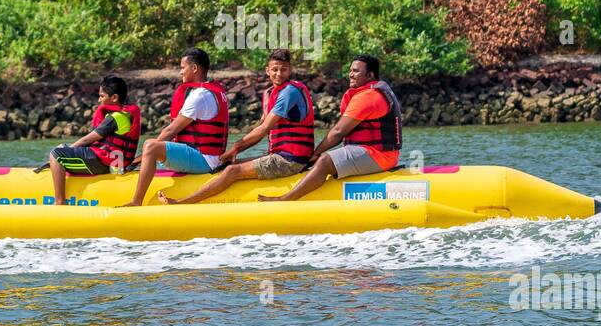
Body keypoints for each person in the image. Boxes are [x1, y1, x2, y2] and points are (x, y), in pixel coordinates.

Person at [158, 49, 314, 205]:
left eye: (283, 69)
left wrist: (235, 148)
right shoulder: (273, 93)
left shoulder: (289, 92)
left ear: (290, 70)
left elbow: (264, 129)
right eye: (274, 69)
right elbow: (260, 127)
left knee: (233, 171)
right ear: (267, 70)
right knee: (230, 164)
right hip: (280, 156)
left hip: (291, 160)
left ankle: (182, 202)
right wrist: (233, 152)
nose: (278, 73)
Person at [258, 54, 401, 202]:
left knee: (325, 160)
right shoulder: (374, 91)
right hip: (382, 153)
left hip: (379, 155)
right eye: (351, 70)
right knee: (329, 158)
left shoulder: (368, 96)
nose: (351, 74)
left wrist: (315, 154)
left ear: (370, 75)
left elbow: (338, 132)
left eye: (356, 71)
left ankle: (286, 199)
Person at [120, 47, 229, 206]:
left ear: (194, 68)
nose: (180, 72)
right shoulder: (215, 90)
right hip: (212, 158)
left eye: (182, 67)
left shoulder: (199, 95)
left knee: (150, 146)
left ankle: (135, 202)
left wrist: (141, 158)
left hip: (205, 161)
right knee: (154, 148)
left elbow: (171, 131)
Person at [48, 75, 141, 205]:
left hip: (104, 163)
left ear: (114, 98)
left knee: (56, 153)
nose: (99, 100)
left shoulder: (116, 117)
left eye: (102, 96)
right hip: (115, 163)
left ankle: (59, 202)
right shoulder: (124, 115)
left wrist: (66, 149)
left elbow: (87, 140)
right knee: (62, 146)